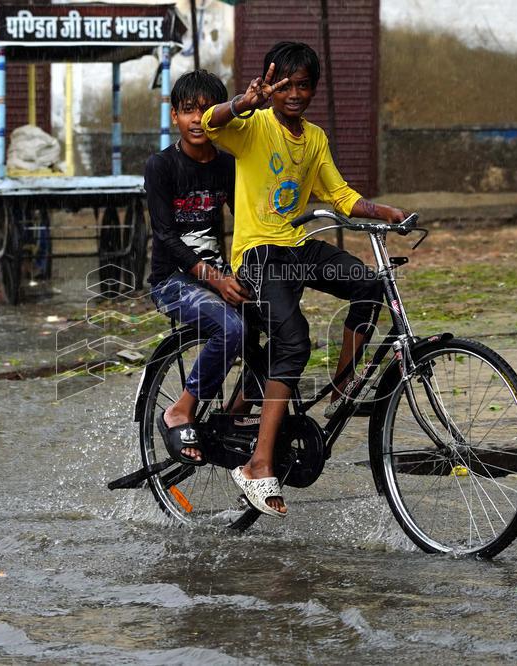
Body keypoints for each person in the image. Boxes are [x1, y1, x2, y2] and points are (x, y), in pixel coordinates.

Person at [202, 41, 407, 516]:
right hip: (257, 254)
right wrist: (242, 102)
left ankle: (341, 385)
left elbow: (341, 195)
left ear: (313, 88)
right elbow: (213, 124)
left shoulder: (313, 138)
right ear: (271, 87)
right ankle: (257, 464)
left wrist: (387, 212)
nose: (294, 94)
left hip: (296, 247)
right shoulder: (253, 126)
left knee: (370, 285)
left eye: (303, 85)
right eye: (285, 85)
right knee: (294, 342)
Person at [146, 70, 251, 466]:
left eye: (206, 110)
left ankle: (236, 416)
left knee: (284, 329)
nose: (196, 119)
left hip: (220, 275)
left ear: (218, 116)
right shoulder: (161, 167)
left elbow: (244, 221)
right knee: (231, 328)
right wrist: (216, 278)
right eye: (187, 110)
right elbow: (165, 238)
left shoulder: (228, 166)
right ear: (174, 116)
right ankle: (181, 409)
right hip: (172, 281)